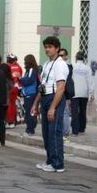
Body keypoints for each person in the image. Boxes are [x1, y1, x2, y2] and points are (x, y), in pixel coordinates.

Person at [31, 36, 68, 173]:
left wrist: (53, 107)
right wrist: (35, 103)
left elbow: (61, 88)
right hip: (45, 96)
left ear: (57, 48)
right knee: (46, 132)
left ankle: (58, 163)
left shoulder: (60, 64)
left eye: (50, 47)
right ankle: (50, 160)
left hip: (55, 98)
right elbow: (43, 85)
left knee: (54, 132)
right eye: (46, 47)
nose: (47, 49)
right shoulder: (46, 64)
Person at [71, 51, 94, 136]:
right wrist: (91, 93)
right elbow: (90, 81)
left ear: (76, 58)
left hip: (74, 93)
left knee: (74, 112)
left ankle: (75, 131)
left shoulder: (72, 67)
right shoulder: (87, 68)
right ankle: (82, 129)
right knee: (83, 111)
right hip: (84, 93)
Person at [18, 54, 39, 136]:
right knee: (29, 112)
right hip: (28, 93)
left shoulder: (31, 70)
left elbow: (28, 81)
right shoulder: (30, 70)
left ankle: (29, 130)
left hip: (30, 93)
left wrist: (20, 78)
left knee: (29, 113)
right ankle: (30, 129)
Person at [0, 63, 14, 146]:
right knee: (2, 120)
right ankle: (2, 139)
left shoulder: (0, 79)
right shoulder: (9, 80)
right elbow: (12, 87)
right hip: (6, 102)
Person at [6, 53, 22, 128]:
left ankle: (10, 122)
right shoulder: (18, 67)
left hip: (9, 87)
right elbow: (20, 76)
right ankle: (14, 120)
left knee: (9, 105)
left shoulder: (7, 67)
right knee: (13, 105)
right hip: (16, 87)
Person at [59, 48, 72, 142]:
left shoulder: (67, 65)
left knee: (64, 113)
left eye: (62, 55)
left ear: (66, 56)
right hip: (59, 91)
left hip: (63, 91)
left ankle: (66, 134)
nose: (60, 57)